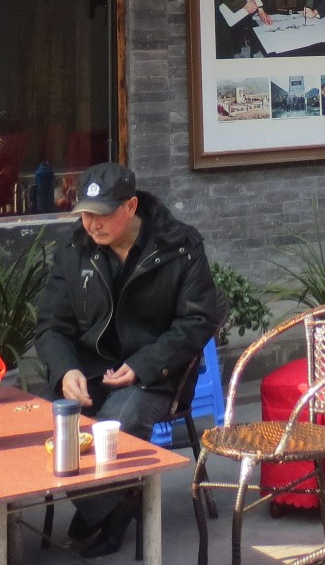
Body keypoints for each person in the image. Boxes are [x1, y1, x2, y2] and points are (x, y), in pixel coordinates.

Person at [34, 163, 224, 558]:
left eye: (102, 214)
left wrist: (144, 364)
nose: (92, 225)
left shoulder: (179, 246)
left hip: (157, 374)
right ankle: (112, 500)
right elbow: (52, 325)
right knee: (49, 424)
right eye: (85, 214)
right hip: (90, 370)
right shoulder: (74, 249)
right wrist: (66, 369)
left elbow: (198, 320)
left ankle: (109, 512)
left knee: (118, 421)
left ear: (131, 206)